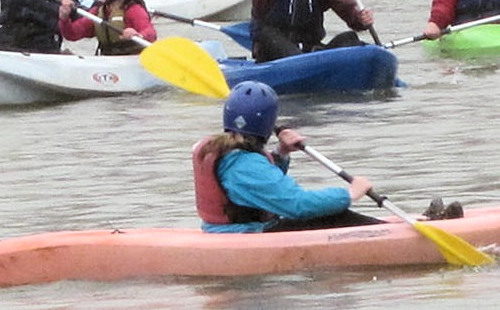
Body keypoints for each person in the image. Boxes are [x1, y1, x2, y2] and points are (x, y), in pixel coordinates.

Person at [193, 81, 464, 234]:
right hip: (245, 238)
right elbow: (297, 205)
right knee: (336, 214)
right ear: (267, 122)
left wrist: (281, 154)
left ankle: (413, 225)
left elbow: (257, 190)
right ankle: (408, 234)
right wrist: (348, 194)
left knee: (332, 216)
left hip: (242, 230)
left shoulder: (230, 153)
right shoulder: (245, 165)